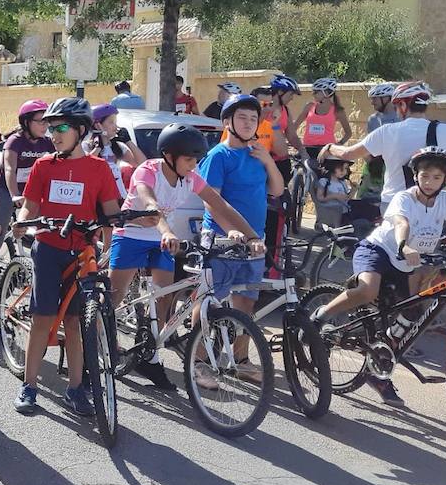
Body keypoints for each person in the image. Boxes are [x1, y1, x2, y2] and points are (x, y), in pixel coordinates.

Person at [107, 124, 264, 389]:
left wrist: (252, 237)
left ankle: (149, 355)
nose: (194, 165)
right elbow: (151, 206)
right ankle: (99, 338)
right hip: (131, 234)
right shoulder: (148, 171)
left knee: (165, 296)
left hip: (161, 238)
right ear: (169, 155)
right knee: (114, 296)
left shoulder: (190, 177)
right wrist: (167, 232)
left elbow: (220, 205)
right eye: (189, 159)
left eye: (196, 160)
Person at [311, 146, 446, 405]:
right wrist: (404, 245)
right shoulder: (404, 198)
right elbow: (401, 223)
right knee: (368, 290)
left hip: (408, 264)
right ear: (416, 175)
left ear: (445, 180)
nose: (429, 182)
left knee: (413, 313)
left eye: (437, 177)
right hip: (379, 251)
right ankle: (321, 316)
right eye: (425, 176)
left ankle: (380, 370)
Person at [9, 97, 120, 416]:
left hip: (82, 251)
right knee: (43, 319)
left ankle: (75, 389)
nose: (53, 134)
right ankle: (29, 385)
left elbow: (111, 212)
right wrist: (23, 221)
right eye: (50, 128)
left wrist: (126, 227)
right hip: (48, 248)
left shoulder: (99, 169)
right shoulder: (44, 166)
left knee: (75, 322)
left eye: (60, 128)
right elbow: (31, 205)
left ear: (81, 130)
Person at [192, 93, 283, 390]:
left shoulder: (256, 154)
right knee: (209, 301)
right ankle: (199, 361)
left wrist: (268, 160)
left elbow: (277, 190)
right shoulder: (218, 156)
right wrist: (231, 230)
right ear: (227, 122)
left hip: (255, 240)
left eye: (253, 119)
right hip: (221, 239)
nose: (248, 123)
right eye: (242, 117)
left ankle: (240, 361)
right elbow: (210, 201)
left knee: (246, 302)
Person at [322, 81, 446, 211]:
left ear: (403, 105)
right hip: (436, 206)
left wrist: (329, 148)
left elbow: (348, 154)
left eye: (397, 106)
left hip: (396, 204)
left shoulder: (387, 131)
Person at [0, 99, 53, 313]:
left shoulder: (47, 143)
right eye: (40, 121)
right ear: (26, 122)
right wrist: (15, 195)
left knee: (48, 229)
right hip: (3, 191)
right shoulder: (15, 142)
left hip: (30, 193)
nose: (45, 126)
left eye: (46, 122)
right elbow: (9, 169)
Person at [87, 104, 146, 199]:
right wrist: (98, 148)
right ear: (98, 125)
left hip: (119, 197)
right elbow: (85, 166)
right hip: (98, 198)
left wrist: (128, 141)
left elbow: (142, 164)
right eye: (111, 122)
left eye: (115, 122)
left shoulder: (117, 147)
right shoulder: (87, 146)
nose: (116, 126)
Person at [296, 77, 350, 161]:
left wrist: (338, 144)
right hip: (308, 148)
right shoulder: (309, 106)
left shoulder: (338, 111)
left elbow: (348, 133)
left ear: (326, 93)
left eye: (316, 92)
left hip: (326, 150)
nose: (313, 94)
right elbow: (294, 126)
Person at [314, 158, 354, 231]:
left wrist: (353, 190)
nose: (343, 171)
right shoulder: (324, 181)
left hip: (344, 211)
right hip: (330, 210)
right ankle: (337, 230)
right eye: (340, 168)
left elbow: (347, 199)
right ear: (332, 167)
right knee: (338, 208)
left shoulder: (343, 183)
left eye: (345, 168)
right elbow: (319, 197)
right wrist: (334, 196)